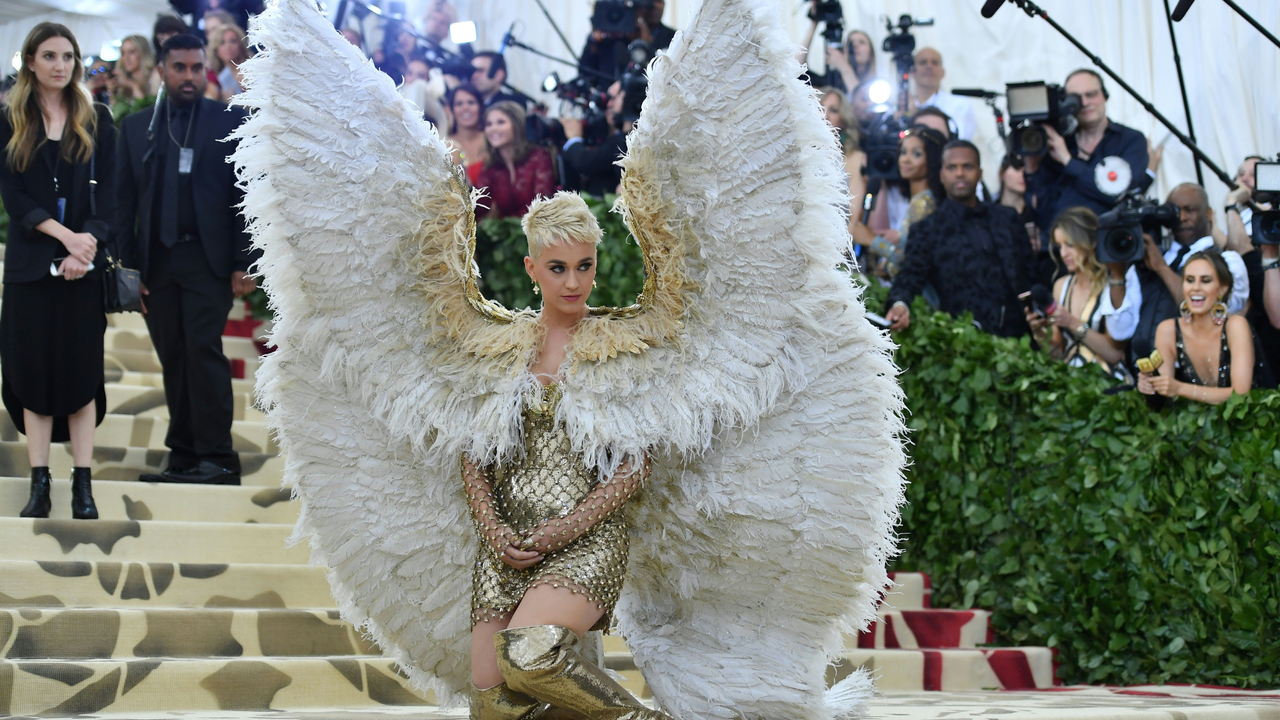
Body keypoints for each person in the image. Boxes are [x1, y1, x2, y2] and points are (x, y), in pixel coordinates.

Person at [241, 0, 908, 716]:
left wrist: (561, 531)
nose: (574, 281)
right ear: (532, 269)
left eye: (584, 266)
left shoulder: (625, 349)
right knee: (493, 698)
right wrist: (497, 528)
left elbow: (635, 468)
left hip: (587, 537)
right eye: (558, 267)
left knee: (534, 655)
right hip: (504, 540)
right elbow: (474, 448)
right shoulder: (492, 350)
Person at [116, 33, 255, 485]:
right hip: (156, 263)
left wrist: (244, 260)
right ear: (162, 70)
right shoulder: (136, 128)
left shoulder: (227, 119)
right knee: (173, 356)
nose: (190, 75)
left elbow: (245, 195)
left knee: (202, 351)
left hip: (207, 259)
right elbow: (122, 205)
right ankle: (183, 456)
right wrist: (127, 271)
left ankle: (218, 457)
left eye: (197, 67)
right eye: (180, 67)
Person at [0, 21, 115, 520]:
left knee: (81, 376)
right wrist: (65, 238)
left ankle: (83, 487)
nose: (60, 65)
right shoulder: (9, 121)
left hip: (82, 269)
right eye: (49, 56)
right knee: (33, 376)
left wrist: (82, 248)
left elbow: (111, 195)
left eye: (68, 57)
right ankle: (40, 484)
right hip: (29, 268)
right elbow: (14, 197)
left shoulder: (98, 118)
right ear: (30, 61)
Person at [885, 140, 1035, 338]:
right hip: (963, 343)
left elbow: (1032, 273)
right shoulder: (927, 229)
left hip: (1021, 338)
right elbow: (909, 277)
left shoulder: (1007, 218)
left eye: (967, 166)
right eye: (952, 167)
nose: (959, 173)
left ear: (980, 173)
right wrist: (900, 304)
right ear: (941, 175)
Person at [1131, 183, 1250, 365]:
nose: (1182, 218)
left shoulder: (1227, 260)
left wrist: (1162, 268)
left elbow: (1216, 311)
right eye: (1175, 211)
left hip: (1197, 374)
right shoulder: (1148, 259)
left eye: (1190, 210)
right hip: (1142, 372)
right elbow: (1120, 331)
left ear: (1208, 213)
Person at [1023, 68, 1151, 233]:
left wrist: (1068, 160)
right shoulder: (1058, 143)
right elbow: (1042, 213)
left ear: (1105, 95)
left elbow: (1116, 193)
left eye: (1091, 94)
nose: (1084, 103)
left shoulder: (1130, 140)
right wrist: (1032, 170)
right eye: (1075, 99)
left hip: (1109, 242)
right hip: (1063, 246)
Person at [1025, 207, 1138, 373]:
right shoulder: (1061, 286)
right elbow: (1057, 354)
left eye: (1070, 245)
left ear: (1090, 242)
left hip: (1107, 383)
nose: (1063, 254)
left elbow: (1114, 353)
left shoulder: (1114, 284)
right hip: (1070, 383)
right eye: (1059, 246)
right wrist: (1040, 334)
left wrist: (1072, 322)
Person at [1138, 251, 1254, 404]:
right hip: (1191, 424)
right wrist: (1150, 385)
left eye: (1205, 281)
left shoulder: (1236, 326)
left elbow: (1241, 394)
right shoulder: (1168, 330)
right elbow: (1163, 395)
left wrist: (1180, 389)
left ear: (1222, 288)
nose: (1196, 288)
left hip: (1246, 423)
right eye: (1190, 280)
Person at [858, 125, 946, 276]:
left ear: (932, 160)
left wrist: (872, 240)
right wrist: (888, 267)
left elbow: (914, 261)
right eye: (903, 152)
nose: (906, 159)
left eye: (916, 154)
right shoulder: (919, 200)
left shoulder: (924, 203)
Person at [475, 101, 555, 219]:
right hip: (508, 233)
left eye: (501, 122)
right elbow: (478, 206)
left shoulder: (538, 157)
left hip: (540, 230)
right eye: (489, 124)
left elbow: (543, 206)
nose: (493, 129)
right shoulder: (492, 165)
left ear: (517, 125)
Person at [579, 0, 674, 85]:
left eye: (658, 1)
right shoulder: (610, 38)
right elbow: (584, 72)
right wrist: (593, 42)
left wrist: (645, 45)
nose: (653, 7)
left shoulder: (674, 38)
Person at [560, 81, 629, 197]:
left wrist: (574, 139)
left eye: (614, 99)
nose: (608, 104)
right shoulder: (607, 131)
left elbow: (585, 161)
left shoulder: (624, 140)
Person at [998, 154, 1051, 286]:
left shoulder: (1038, 211)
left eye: (1026, 169)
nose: (1023, 174)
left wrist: (1041, 243)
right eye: (1017, 168)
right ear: (1002, 173)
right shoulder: (989, 213)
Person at [909, 48, 977, 141]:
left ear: (943, 72)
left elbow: (959, 143)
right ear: (912, 72)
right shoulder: (901, 106)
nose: (929, 66)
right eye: (923, 62)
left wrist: (914, 116)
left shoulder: (960, 104)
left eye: (935, 62)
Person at [820, 85, 867, 208]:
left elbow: (854, 213)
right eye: (820, 108)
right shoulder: (798, 153)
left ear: (843, 119)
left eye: (833, 110)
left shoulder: (855, 158)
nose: (825, 115)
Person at [169, 0, 263, 44]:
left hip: (238, 48)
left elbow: (259, 9)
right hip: (204, 50)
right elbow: (182, 6)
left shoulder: (239, 4)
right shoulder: (197, 4)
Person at [445, 84, 486, 181]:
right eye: (459, 104)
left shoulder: (492, 140)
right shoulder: (446, 145)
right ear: (451, 110)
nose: (465, 107)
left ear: (480, 107)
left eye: (471, 102)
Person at [149, 15, 190, 95]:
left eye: (171, 36)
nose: (167, 42)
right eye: (162, 39)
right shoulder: (160, 67)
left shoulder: (195, 58)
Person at [213, 24, 250, 102]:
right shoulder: (214, 76)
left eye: (233, 41)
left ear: (241, 44)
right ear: (216, 49)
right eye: (222, 43)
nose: (228, 46)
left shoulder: (253, 71)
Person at [114, 35, 155, 104]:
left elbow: (147, 110)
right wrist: (112, 93)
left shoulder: (154, 78)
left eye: (131, 52)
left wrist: (134, 86)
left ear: (143, 53)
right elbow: (116, 113)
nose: (126, 58)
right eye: (123, 53)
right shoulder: (123, 81)